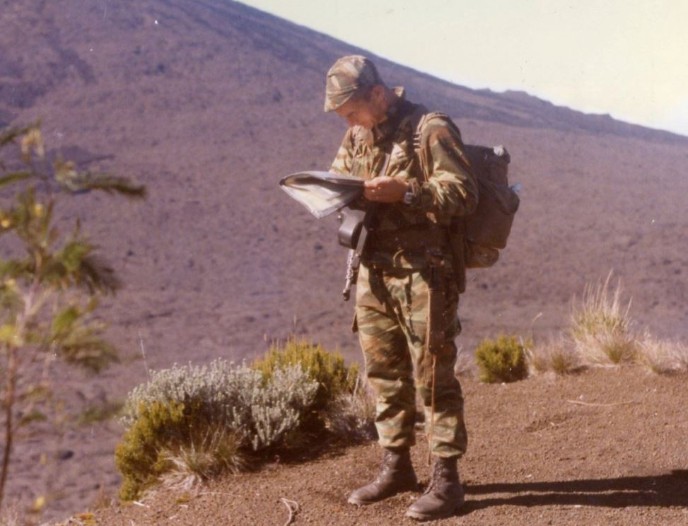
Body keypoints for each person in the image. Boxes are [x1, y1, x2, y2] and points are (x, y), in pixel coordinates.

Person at [323, 55, 479, 521]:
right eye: (344, 118)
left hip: (422, 271)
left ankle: (447, 481)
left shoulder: (429, 129)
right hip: (373, 268)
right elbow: (340, 177)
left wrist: (407, 191)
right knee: (384, 374)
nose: (350, 123)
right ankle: (396, 466)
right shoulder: (358, 134)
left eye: (352, 112)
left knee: (432, 377)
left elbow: (463, 192)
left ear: (376, 94)